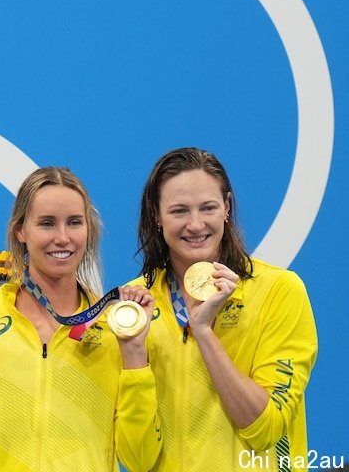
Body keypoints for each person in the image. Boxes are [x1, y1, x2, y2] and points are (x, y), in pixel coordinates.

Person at [0, 166, 162, 471]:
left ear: (88, 230)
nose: (62, 238)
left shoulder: (115, 325)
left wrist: (133, 354)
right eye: (47, 224)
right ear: (20, 231)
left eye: (74, 223)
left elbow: (139, 459)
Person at [130, 147, 317, 471]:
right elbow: (135, 458)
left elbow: (266, 428)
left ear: (227, 208)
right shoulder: (136, 305)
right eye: (178, 211)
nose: (195, 223)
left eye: (208, 207)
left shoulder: (279, 291)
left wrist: (203, 332)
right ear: (157, 215)